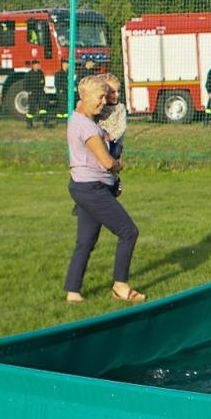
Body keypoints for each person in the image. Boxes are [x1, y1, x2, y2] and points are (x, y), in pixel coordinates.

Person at [64, 74, 145, 305]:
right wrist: (119, 165)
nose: (103, 101)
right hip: (93, 188)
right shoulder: (87, 127)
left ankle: (73, 291)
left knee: (86, 241)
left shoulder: (78, 119)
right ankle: (120, 286)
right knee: (129, 232)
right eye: (100, 97)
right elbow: (107, 162)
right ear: (84, 97)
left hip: (84, 187)